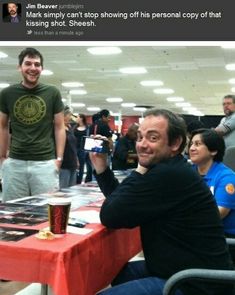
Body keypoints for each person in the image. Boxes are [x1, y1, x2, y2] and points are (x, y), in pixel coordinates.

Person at [89, 108, 234, 295]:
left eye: (153, 138)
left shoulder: (169, 174)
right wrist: (102, 169)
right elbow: (123, 203)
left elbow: (110, 216)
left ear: (175, 143)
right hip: (176, 268)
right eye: (140, 137)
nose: (141, 145)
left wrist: (139, 169)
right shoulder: (172, 168)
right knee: (116, 273)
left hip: (194, 283)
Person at [0, 47, 65, 201]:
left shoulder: (52, 92)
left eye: (37, 64)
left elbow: (59, 127)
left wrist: (59, 160)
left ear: (41, 68)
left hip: (45, 163)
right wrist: (2, 157)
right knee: (13, 213)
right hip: (15, 163)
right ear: (20, 67)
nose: (33, 68)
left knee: (46, 214)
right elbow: (2, 126)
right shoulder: (7, 93)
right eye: (28, 64)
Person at [188, 128, 235, 236]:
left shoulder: (227, 178)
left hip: (223, 238)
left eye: (197, 144)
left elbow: (217, 214)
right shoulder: (187, 173)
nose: (191, 148)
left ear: (213, 150)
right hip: (196, 232)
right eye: (191, 144)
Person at [59, 107, 78, 189]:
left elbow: (73, 146)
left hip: (72, 162)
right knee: (63, 189)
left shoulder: (70, 128)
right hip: (63, 164)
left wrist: (76, 160)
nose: (70, 117)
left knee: (72, 190)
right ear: (63, 116)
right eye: (69, 115)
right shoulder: (58, 129)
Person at [73, 113, 91, 184]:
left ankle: (79, 181)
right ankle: (74, 180)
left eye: (77, 117)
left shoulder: (87, 128)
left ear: (81, 118)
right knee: (75, 165)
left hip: (83, 149)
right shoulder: (74, 128)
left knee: (82, 166)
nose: (76, 118)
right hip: (75, 149)